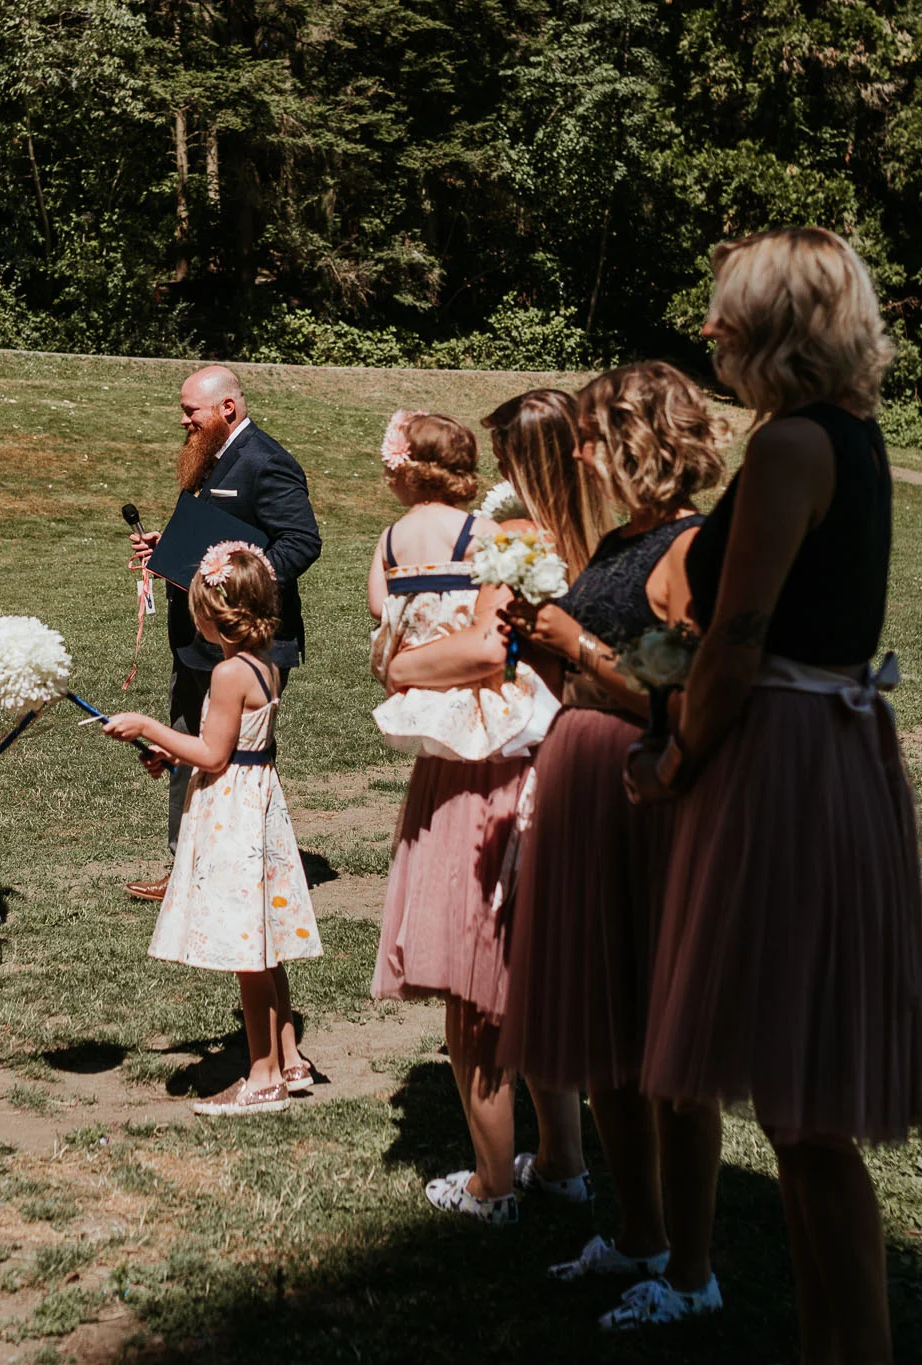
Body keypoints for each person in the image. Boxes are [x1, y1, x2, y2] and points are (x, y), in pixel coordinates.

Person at [628, 227, 922, 1355]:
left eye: (725, 309)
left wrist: (673, 761)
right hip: (823, 744)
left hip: (785, 758)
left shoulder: (795, 445)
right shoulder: (840, 434)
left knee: (806, 1117)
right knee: (799, 1117)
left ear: (771, 326)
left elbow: (735, 638)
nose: (707, 326)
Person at [490, 370, 729, 1328]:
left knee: (665, 1042)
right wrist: (540, 641)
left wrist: (577, 644)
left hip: (647, 800)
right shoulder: (620, 541)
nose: (581, 454)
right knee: (607, 1032)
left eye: (595, 438)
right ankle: (639, 1234)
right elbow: (590, 661)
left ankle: (694, 1271)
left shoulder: (695, 546)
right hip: (588, 786)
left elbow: (687, 693)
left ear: (640, 444)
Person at [367, 410, 576, 1224]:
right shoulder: (591, 538)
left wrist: (402, 664)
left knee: (477, 977)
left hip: (479, 762)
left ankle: (493, 1184)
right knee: (532, 971)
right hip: (550, 748)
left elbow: (484, 649)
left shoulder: (513, 536)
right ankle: (562, 1162)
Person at [101, 543, 321, 1117]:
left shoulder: (227, 673)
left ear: (212, 616)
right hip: (258, 800)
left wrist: (150, 726)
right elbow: (230, 746)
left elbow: (215, 754)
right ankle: (290, 1059)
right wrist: (173, 755)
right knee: (266, 945)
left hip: (232, 814)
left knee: (247, 948)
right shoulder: (265, 663)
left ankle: (263, 1077)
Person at [123, 365, 321, 901]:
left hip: (245, 638)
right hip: (196, 639)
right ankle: (187, 867)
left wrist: (234, 585)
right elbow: (219, 536)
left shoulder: (267, 461)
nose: (183, 420)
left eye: (191, 410)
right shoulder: (213, 455)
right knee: (187, 745)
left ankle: (241, 867)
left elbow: (300, 542)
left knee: (238, 760)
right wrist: (170, 547)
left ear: (226, 408)